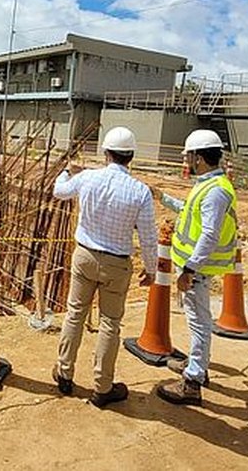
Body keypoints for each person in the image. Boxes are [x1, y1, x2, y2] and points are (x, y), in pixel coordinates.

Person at [51, 126, 158, 408]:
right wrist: (151, 269)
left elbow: (59, 191)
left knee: (75, 314)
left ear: (106, 153)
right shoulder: (140, 192)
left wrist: (68, 170)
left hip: (85, 256)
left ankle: (64, 374)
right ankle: (102, 387)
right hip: (117, 264)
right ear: (131, 156)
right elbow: (148, 236)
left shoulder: (88, 178)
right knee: (110, 324)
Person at [152, 129, 238, 407]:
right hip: (195, 268)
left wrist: (189, 269)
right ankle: (197, 365)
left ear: (199, 158)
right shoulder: (209, 184)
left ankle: (192, 382)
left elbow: (210, 234)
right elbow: (189, 211)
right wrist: (162, 197)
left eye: (189, 156)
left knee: (199, 323)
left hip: (197, 270)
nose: (186, 161)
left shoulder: (215, 192)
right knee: (198, 320)